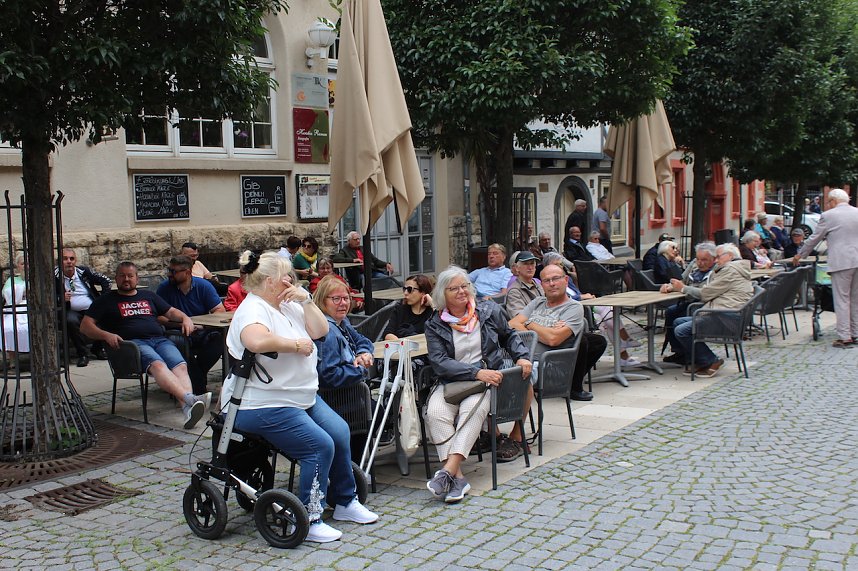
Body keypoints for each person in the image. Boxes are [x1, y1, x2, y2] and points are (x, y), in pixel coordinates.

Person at [224, 251, 377, 543]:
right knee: (318, 446)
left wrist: (306, 300)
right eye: (286, 275)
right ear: (269, 281)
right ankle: (310, 515)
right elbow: (255, 340)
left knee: (339, 432)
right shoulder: (252, 309)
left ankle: (345, 501)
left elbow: (320, 331)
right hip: (264, 402)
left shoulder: (287, 304)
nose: (291, 278)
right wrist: (294, 345)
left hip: (300, 396)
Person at [424, 267, 531, 502]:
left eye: (465, 286)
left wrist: (521, 355)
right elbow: (439, 362)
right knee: (435, 413)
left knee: (470, 411)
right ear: (443, 294)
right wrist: (476, 372)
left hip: (485, 382)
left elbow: (510, 335)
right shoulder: (435, 323)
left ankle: (446, 472)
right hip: (452, 382)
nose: (462, 291)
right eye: (454, 288)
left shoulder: (488, 310)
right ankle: (457, 476)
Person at [80, 261, 210, 428]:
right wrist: (106, 335)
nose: (126, 279)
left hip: (160, 340)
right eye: (122, 276)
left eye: (130, 276)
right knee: (158, 366)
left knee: (181, 366)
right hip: (132, 345)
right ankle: (190, 399)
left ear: (137, 278)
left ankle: (187, 409)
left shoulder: (148, 295)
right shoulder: (106, 300)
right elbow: (85, 326)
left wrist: (185, 318)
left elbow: (170, 312)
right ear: (116, 278)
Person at [510, 263, 607, 404]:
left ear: (566, 280)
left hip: (544, 364)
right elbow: (512, 324)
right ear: (541, 284)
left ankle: (573, 386)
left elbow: (553, 339)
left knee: (590, 341)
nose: (552, 284)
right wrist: (544, 329)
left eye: (556, 279)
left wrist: (528, 323)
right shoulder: (538, 302)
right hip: (519, 357)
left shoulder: (573, 307)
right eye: (546, 281)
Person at [660, 243, 753, 377]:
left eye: (718, 257)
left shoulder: (730, 270)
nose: (716, 260)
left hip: (726, 317)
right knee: (677, 321)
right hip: (725, 314)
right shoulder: (734, 268)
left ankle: (711, 360)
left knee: (681, 330)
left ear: (730, 256)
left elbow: (705, 294)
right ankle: (697, 359)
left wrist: (682, 288)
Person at [792, 188, 858, 347]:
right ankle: (855, 333)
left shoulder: (829, 216)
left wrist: (800, 254)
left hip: (841, 261)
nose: (828, 205)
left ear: (834, 201)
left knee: (842, 299)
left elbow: (815, 238)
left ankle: (845, 336)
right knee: (855, 299)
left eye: (829, 201)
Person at [156, 255, 225, 395]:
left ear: (187, 272)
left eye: (174, 271)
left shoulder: (203, 286)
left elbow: (219, 310)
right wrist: (178, 323)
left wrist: (203, 324)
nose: (169, 274)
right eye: (169, 270)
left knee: (221, 339)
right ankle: (199, 388)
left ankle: (197, 377)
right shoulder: (165, 288)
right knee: (175, 344)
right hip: (176, 332)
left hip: (202, 330)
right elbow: (158, 316)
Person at [313, 275, 375, 389]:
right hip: (340, 400)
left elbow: (362, 340)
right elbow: (328, 376)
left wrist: (363, 354)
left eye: (346, 298)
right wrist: (360, 369)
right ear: (322, 301)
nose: (343, 303)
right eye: (336, 299)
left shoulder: (342, 321)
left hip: (355, 392)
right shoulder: (326, 331)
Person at [659, 242, 717, 364]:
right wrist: (669, 286)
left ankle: (691, 353)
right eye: (698, 259)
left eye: (704, 260)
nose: (700, 263)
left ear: (714, 259)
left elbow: (705, 294)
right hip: (689, 301)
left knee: (680, 316)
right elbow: (681, 281)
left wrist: (683, 288)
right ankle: (679, 351)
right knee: (670, 312)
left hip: (704, 305)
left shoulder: (717, 271)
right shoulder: (694, 265)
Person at [54, 248, 111, 367]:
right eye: (65, 259)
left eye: (71, 258)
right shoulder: (54, 276)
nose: (69, 261)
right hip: (70, 310)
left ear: (75, 261)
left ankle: (98, 349)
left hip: (90, 308)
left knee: (105, 315)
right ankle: (83, 354)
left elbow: (106, 280)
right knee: (71, 320)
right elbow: (46, 295)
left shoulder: (84, 272)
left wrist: (104, 300)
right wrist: (60, 298)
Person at [383, 274, 434, 340]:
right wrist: (402, 345)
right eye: (404, 289)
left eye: (409, 289)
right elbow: (387, 333)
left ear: (423, 292)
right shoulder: (400, 310)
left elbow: (442, 331)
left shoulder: (432, 312)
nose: (405, 293)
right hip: (402, 348)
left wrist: (432, 303)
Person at [3, 254, 29, 368]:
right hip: (15, 308)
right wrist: (23, 289)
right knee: (8, 328)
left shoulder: (37, 277)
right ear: (18, 266)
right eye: (22, 263)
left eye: (28, 263)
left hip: (31, 308)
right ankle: (13, 361)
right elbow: (7, 296)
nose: (25, 266)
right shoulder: (12, 280)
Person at [505, 251, 543, 315]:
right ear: (517, 268)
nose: (530, 267)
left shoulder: (538, 285)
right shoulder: (514, 292)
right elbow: (519, 318)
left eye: (532, 263)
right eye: (526, 264)